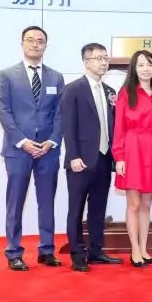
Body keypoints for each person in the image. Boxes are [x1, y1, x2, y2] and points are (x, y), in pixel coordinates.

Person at [0, 25, 65, 271]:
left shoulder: (56, 77)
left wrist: (52, 141)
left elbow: (60, 113)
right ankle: (14, 252)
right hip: (18, 150)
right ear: (22, 43)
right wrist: (23, 141)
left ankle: (47, 250)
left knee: (47, 202)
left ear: (46, 45)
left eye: (40, 41)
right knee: (15, 203)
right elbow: (3, 111)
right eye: (30, 40)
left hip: (48, 150)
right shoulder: (7, 75)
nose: (35, 44)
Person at [60, 42, 123, 272]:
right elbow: (68, 125)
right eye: (98, 58)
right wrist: (73, 156)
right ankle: (77, 254)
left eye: (106, 58)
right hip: (81, 160)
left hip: (104, 159)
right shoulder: (73, 89)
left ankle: (96, 251)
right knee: (76, 209)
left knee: (98, 208)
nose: (103, 62)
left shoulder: (109, 91)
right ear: (86, 62)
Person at [112, 49, 152, 267]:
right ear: (134, 69)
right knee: (134, 203)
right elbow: (119, 127)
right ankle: (134, 250)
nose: (146, 69)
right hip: (131, 149)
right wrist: (119, 157)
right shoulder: (126, 93)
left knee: (146, 203)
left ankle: (144, 249)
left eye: (150, 64)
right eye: (141, 65)